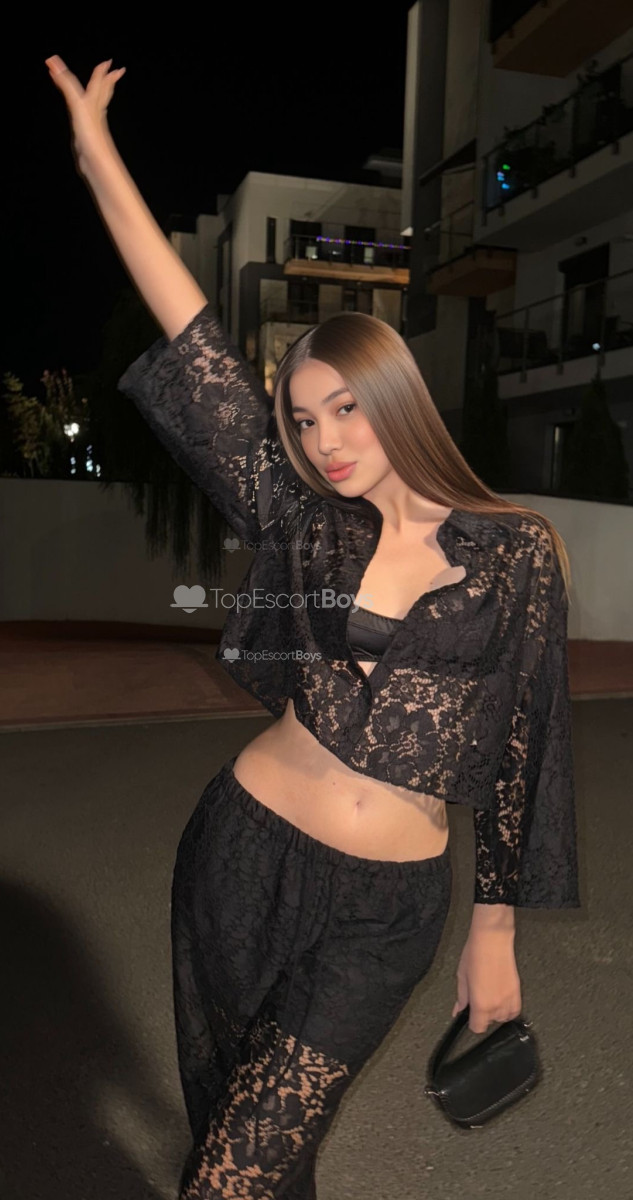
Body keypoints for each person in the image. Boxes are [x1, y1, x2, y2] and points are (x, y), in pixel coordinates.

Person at [46, 57, 580, 1199]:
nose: (325, 439)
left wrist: (493, 935)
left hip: (385, 911)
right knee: (250, 1151)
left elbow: (522, 748)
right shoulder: (303, 521)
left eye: (345, 408)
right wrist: (98, 158)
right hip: (238, 851)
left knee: (230, 1176)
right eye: (301, 419)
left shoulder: (515, 553)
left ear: (394, 398)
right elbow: (193, 336)